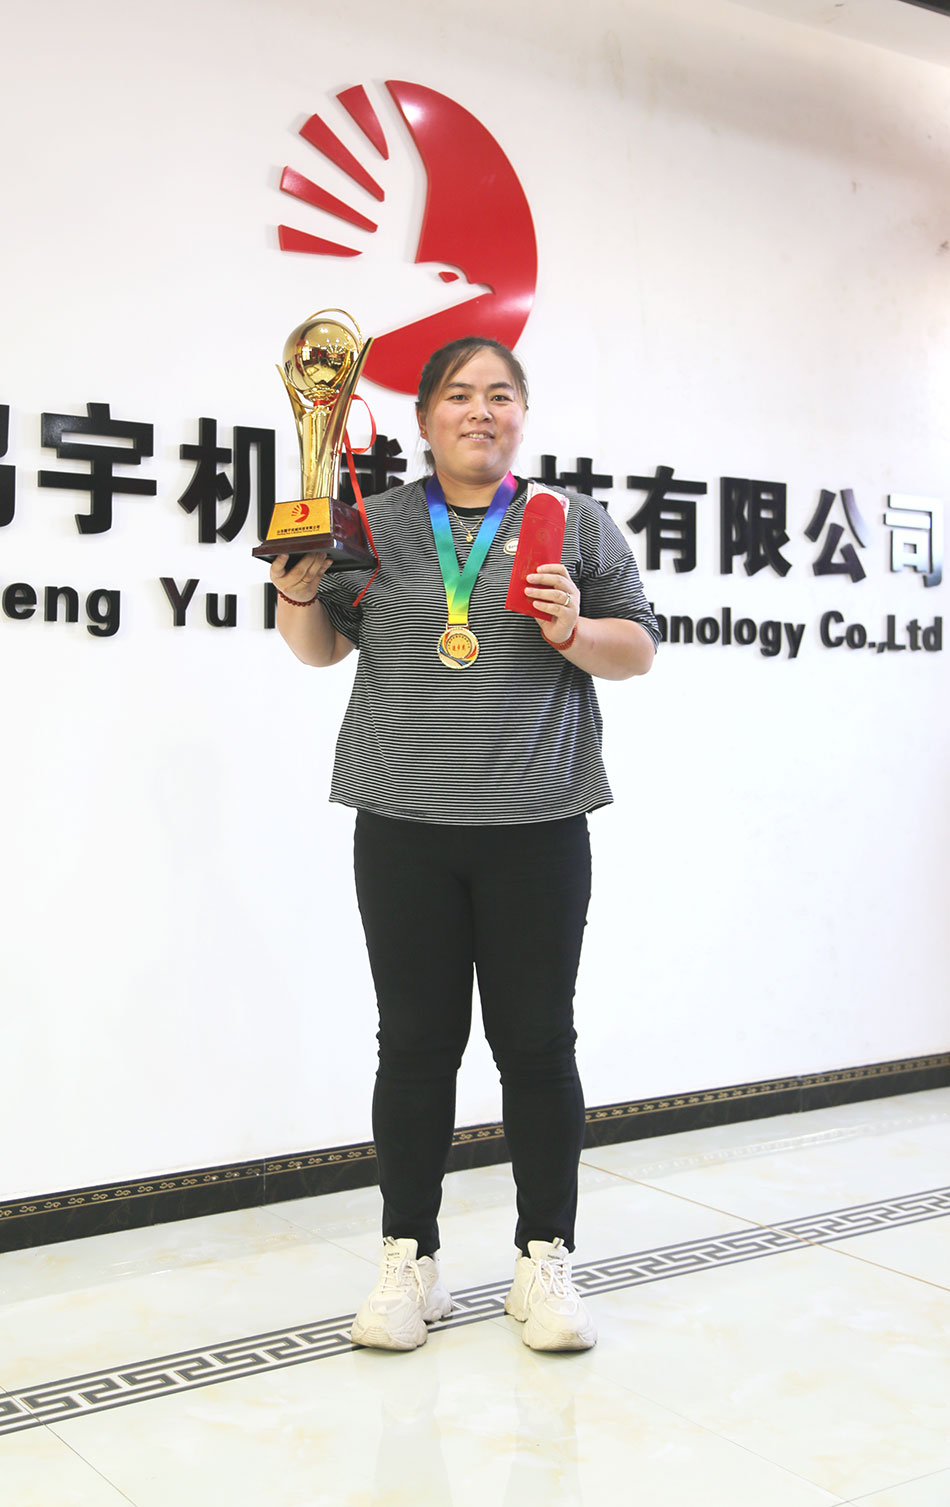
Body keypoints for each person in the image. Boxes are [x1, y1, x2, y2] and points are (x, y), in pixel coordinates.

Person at [270, 337, 658, 1353]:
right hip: (403, 827)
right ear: (424, 418)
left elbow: (637, 649)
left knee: (537, 1045)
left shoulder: (572, 522)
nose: (480, 411)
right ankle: (411, 1259)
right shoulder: (371, 522)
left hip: (537, 825)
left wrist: (575, 629)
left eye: (500, 395)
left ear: (521, 415)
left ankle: (544, 1258)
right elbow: (317, 649)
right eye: (458, 394)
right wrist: (298, 590)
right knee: (413, 1046)